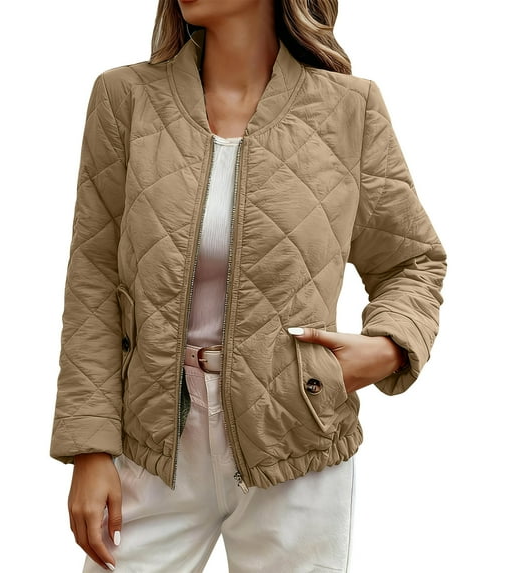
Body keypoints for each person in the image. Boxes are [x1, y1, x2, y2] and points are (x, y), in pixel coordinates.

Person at [50, 0, 447, 571]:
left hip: (296, 438)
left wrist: (388, 347)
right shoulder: (126, 97)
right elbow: (92, 282)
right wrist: (89, 448)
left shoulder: (349, 108)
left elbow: (412, 260)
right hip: (152, 441)